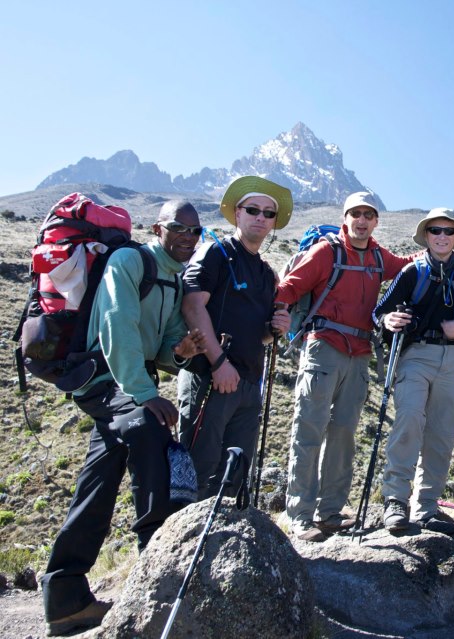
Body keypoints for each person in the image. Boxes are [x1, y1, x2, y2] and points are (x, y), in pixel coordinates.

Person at [40, 201, 206, 636]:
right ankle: (157, 563)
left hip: (127, 380)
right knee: (147, 428)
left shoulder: (170, 277)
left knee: (101, 475)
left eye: (196, 230)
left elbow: (162, 345)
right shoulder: (129, 260)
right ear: (157, 228)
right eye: (179, 228)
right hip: (101, 375)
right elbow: (117, 327)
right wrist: (146, 395)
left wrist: (181, 350)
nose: (188, 236)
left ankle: (64, 598)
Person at [275, 191, 411, 540]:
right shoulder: (326, 252)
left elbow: (409, 266)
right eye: (356, 214)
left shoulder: (380, 258)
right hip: (323, 349)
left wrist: (439, 247)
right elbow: (289, 288)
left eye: (368, 215)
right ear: (345, 217)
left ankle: (330, 512)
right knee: (309, 430)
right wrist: (272, 318)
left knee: (344, 435)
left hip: (360, 354)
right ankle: (300, 515)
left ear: (376, 221)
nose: (362, 221)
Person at [177, 177, 292, 498]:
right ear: (237, 213)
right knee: (197, 473)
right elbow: (192, 307)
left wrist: (276, 328)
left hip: (247, 385)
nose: (261, 217)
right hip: (211, 379)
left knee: (234, 477)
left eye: (269, 214)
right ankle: (183, 544)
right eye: (253, 209)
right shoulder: (214, 253)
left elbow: (263, 337)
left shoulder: (267, 274)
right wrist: (219, 362)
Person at [375, 209, 454, 534]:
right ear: (426, 235)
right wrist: (387, 321)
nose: (442, 236)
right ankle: (396, 500)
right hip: (416, 355)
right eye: (435, 230)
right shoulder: (412, 272)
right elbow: (378, 312)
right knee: (409, 418)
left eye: (448, 231)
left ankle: (426, 506)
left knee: (442, 433)